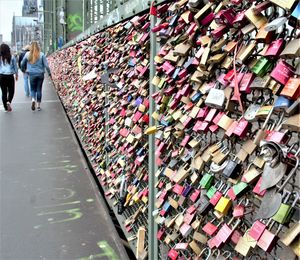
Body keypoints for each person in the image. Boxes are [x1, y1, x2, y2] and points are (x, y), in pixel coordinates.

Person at [21, 41, 51, 111]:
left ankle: (33, 99)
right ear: (38, 47)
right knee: (39, 89)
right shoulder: (42, 54)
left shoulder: (27, 54)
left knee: (32, 89)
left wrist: (24, 70)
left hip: (31, 74)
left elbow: (22, 63)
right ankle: (38, 106)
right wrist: (49, 73)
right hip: (40, 74)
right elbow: (46, 65)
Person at [0, 43, 18, 112]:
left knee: (4, 92)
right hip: (10, 76)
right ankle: (9, 101)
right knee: (11, 91)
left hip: (1, 76)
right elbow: (15, 66)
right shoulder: (12, 57)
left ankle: (5, 107)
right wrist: (16, 74)